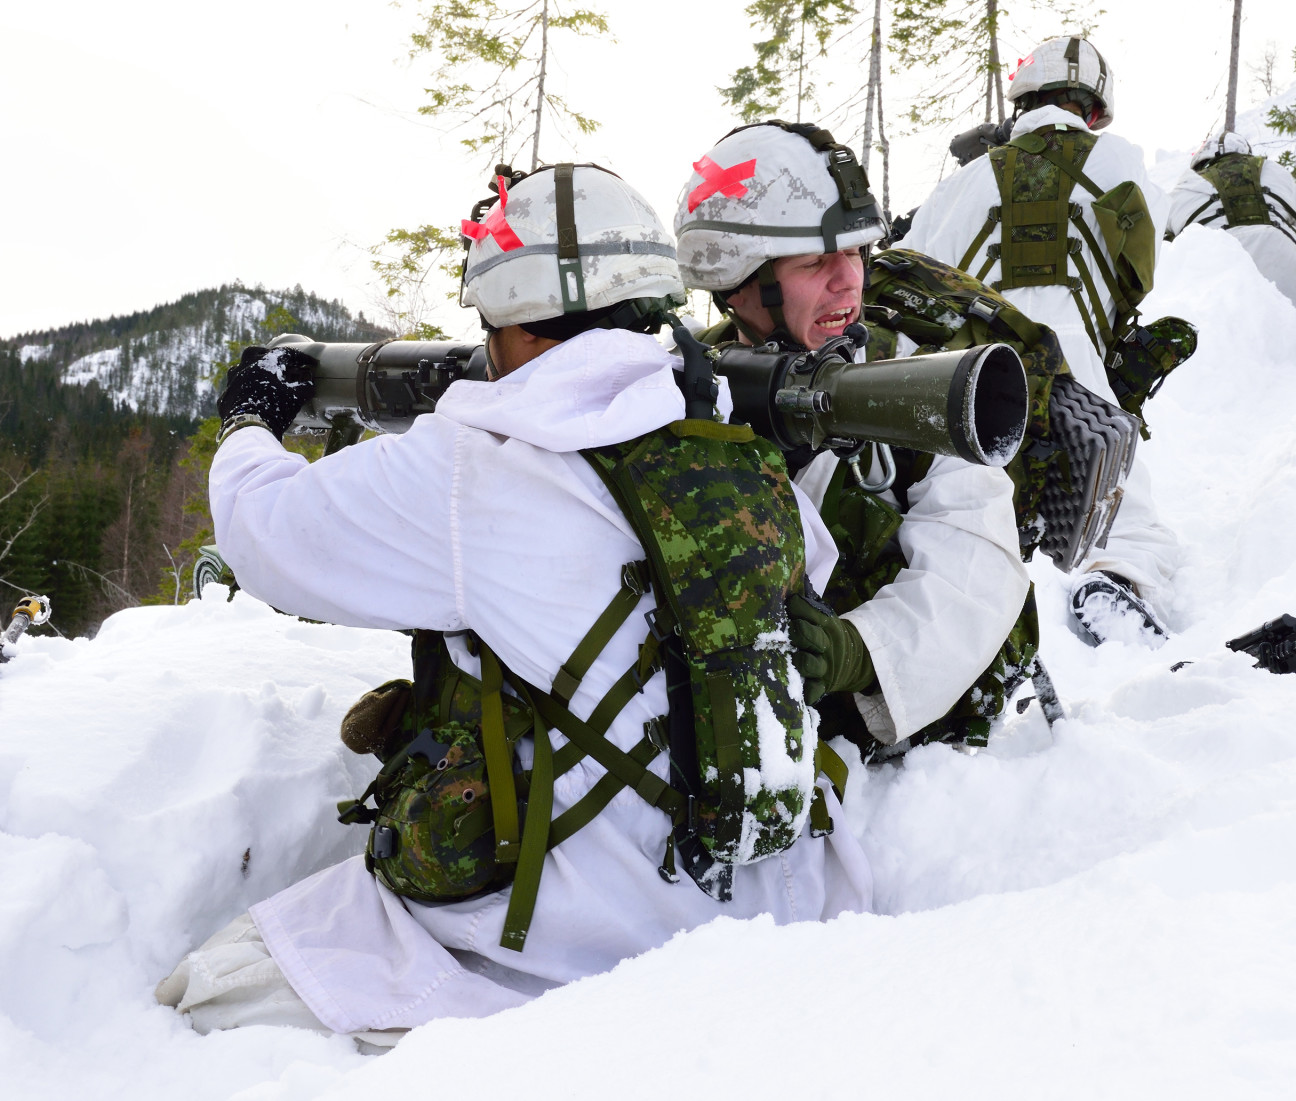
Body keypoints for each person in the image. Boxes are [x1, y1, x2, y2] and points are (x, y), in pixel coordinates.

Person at [156, 163, 872, 1044]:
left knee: (204, 992)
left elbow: (266, 532)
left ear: (525, 326)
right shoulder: (736, 451)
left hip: (574, 945)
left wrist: (250, 419)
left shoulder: (474, 469)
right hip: (769, 904)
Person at [675, 121, 1033, 756]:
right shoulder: (680, 381)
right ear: (740, 285)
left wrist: (859, 651)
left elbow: (978, 563)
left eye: (857, 254)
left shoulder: (914, 382)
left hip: (901, 722)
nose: (849, 282)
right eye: (815, 261)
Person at [901, 36, 1181, 646]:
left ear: (1021, 100)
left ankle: (970, 599)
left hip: (971, 370)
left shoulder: (962, 184)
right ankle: (1114, 582)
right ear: (1094, 108)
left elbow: (909, 273)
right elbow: (1164, 238)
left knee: (962, 500)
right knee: (1126, 517)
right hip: (1079, 371)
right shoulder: (1122, 161)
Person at [1167, 131, 1296, 304]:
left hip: (1217, 271)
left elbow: (1161, 238)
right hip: (1284, 260)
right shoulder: (1275, 171)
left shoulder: (1186, 184)